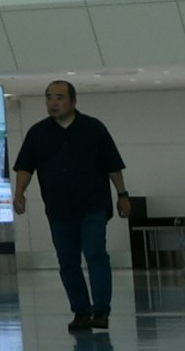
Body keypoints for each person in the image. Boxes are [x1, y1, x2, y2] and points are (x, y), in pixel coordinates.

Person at [9, 78, 127, 332]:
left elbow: (112, 165)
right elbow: (25, 166)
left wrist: (122, 195)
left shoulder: (94, 128)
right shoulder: (38, 133)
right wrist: (19, 193)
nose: (53, 102)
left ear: (73, 100)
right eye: (49, 97)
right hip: (59, 208)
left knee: (95, 254)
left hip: (93, 204)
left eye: (60, 97)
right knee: (68, 261)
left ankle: (101, 310)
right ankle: (81, 311)